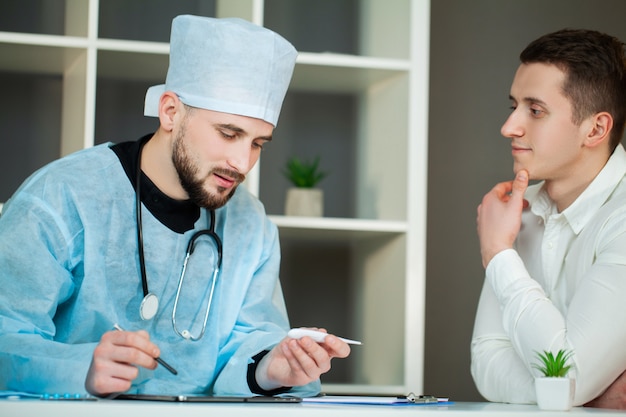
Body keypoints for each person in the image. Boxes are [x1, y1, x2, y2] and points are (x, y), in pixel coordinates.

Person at [0, 15, 350, 398]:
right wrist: (79, 368)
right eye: (228, 133)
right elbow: (7, 336)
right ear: (170, 112)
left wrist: (271, 368)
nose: (242, 162)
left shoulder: (252, 224)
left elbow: (247, 341)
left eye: (257, 143)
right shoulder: (61, 197)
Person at [471, 28, 626, 409]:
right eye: (514, 106)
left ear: (596, 128)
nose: (509, 128)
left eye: (535, 110)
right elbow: (486, 364)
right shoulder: (515, 217)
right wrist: (578, 395)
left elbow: (568, 377)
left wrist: (498, 254)